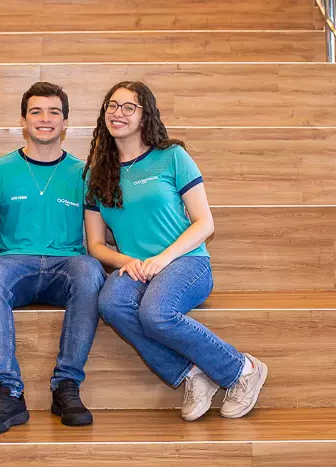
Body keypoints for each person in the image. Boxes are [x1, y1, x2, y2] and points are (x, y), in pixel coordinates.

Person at [83, 81, 268, 422]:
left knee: (155, 314)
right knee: (111, 304)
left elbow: (204, 222)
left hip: (186, 262)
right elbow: (95, 244)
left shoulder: (172, 157)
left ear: (145, 115)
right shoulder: (96, 175)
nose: (118, 113)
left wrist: (162, 258)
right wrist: (130, 261)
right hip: (138, 268)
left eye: (129, 107)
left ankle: (242, 369)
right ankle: (192, 375)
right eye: (112, 105)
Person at [0, 82, 106, 434]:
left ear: (65, 123)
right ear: (23, 120)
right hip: (15, 265)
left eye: (53, 112)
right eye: (36, 111)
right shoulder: (0, 169)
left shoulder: (84, 173)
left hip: (67, 266)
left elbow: (108, 227)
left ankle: (66, 386)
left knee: (90, 270)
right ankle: (8, 392)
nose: (45, 118)